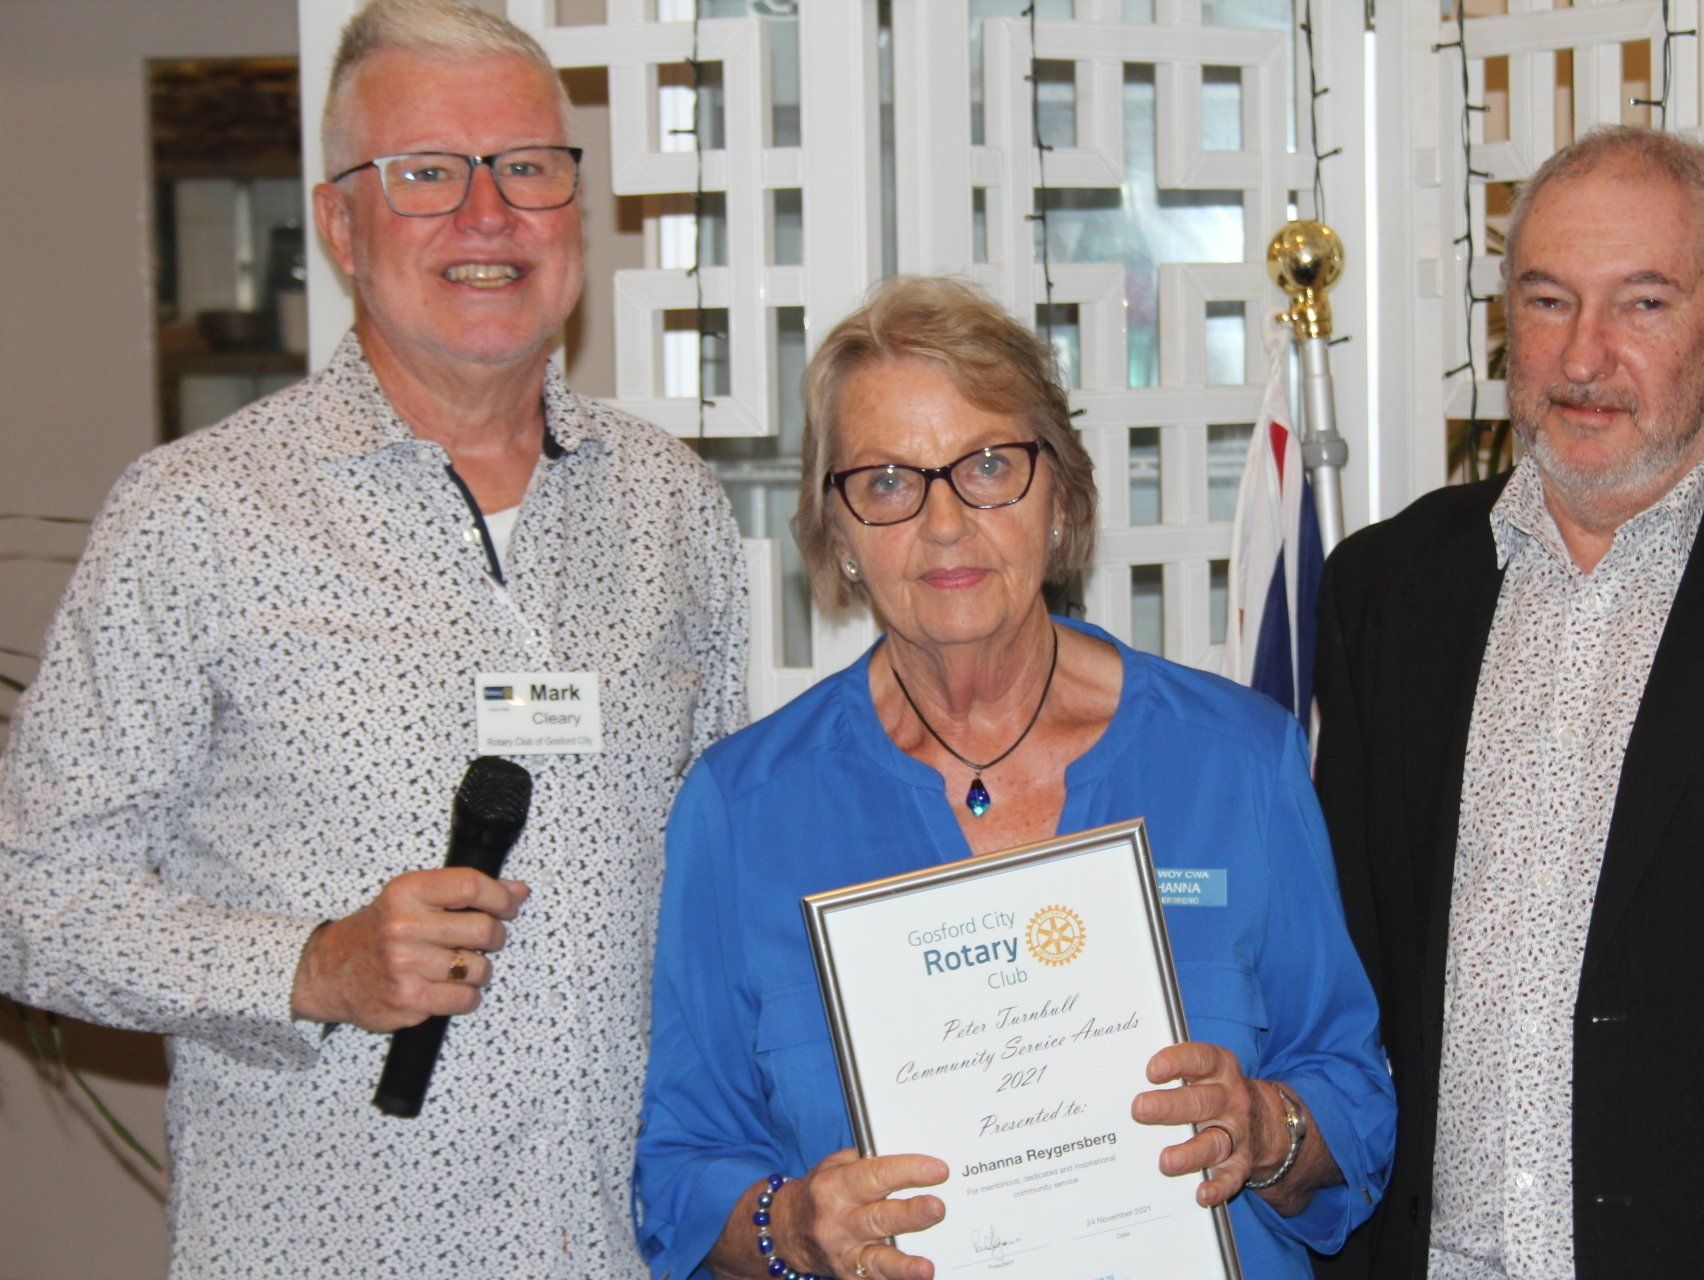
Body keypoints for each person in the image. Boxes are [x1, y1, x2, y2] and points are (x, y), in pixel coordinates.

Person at [0, 2, 746, 1275]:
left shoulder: (674, 505)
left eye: (527, 166)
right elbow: (34, 899)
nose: (487, 214)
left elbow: (725, 884)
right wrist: (312, 964)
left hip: (624, 1251)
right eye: (425, 175)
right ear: (339, 223)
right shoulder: (195, 515)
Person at [633, 275, 1393, 1280]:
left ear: (1062, 494)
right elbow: (680, 1172)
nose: (944, 522)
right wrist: (792, 1224)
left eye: (989, 463)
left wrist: (1269, 1126)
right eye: (890, 481)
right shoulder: (743, 807)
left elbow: (1355, 1095)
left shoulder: (1236, 760)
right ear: (839, 532)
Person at [1313, 125, 1704, 1279]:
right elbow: (1350, 981)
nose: (1582, 357)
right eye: (1546, 302)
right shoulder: (1391, 588)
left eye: (1641, 304)